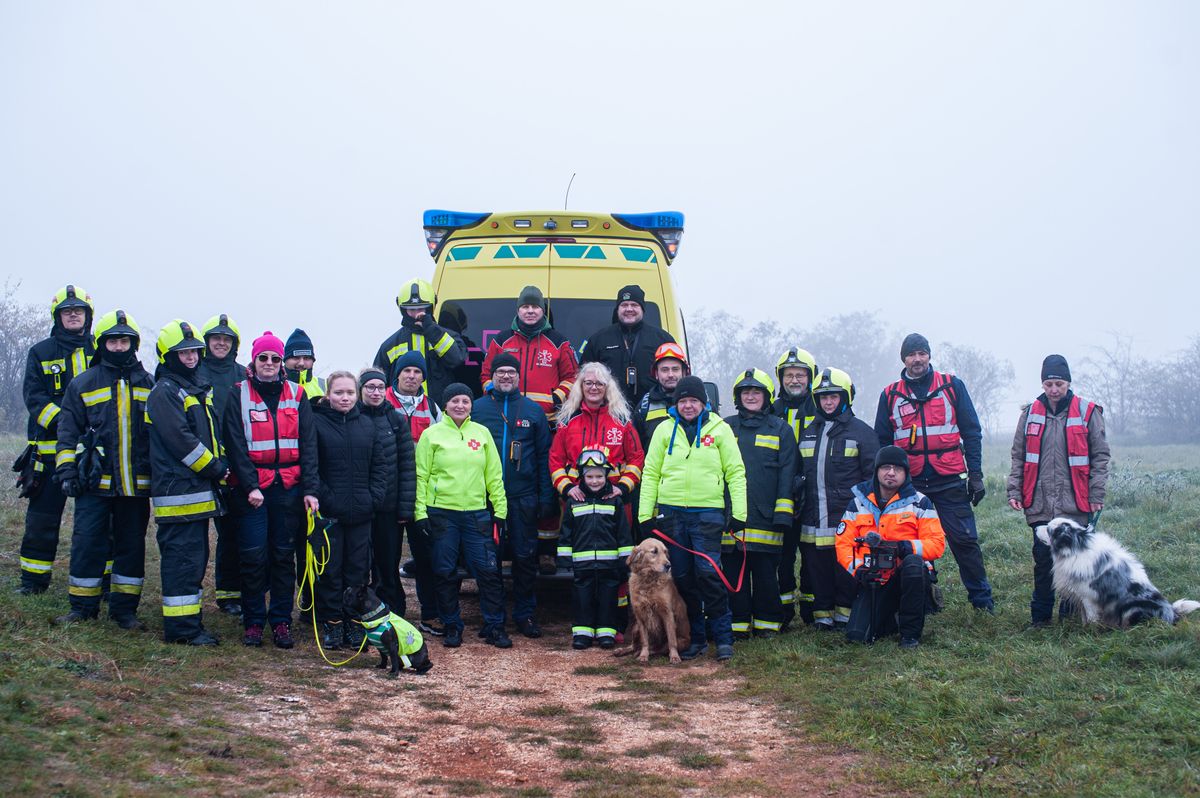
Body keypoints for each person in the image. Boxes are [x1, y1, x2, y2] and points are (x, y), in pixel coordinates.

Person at [873, 333, 995, 613]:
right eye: (911, 354)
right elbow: (882, 441)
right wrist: (885, 481)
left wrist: (975, 475)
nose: (917, 359)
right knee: (912, 544)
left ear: (929, 355)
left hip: (950, 478)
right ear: (903, 359)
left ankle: (982, 601)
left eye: (922, 353)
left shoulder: (952, 386)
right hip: (911, 483)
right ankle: (923, 600)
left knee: (965, 541)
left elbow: (972, 431)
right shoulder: (890, 394)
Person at [53, 310, 153, 629]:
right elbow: (67, 432)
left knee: (131, 548)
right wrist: (67, 473)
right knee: (87, 543)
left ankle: (124, 610)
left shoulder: (149, 384)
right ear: (103, 343)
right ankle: (82, 608)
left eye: (124, 340)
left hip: (135, 487)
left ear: (133, 343)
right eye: (113, 340)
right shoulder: (82, 383)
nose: (119, 346)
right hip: (92, 484)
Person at [639, 375, 747, 662]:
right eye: (683, 400)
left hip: (707, 514)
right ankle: (696, 638)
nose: (688, 406)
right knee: (683, 578)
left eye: (694, 401)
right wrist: (644, 515)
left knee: (708, 574)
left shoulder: (720, 429)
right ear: (677, 403)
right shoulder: (664, 429)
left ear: (703, 403)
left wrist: (739, 514)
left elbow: (735, 471)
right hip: (671, 515)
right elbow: (650, 472)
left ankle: (724, 639)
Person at [224, 331, 319, 649]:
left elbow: (309, 446)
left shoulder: (298, 393)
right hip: (253, 492)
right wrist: (250, 485)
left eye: (275, 358)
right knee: (252, 557)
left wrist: (310, 488)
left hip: (289, 490)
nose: (269, 363)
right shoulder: (238, 393)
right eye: (263, 357)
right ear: (254, 360)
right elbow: (235, 443)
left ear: (282, 363)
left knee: (282, 557)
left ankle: (280, 622)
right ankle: (253, 622)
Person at [1006, 355, 1110, 628]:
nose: (1054, 389)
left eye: (1059, 384)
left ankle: (1069, 616)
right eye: (1049, 383)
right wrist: (1014, 490)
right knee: (1043, 563)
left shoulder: (1088, 412)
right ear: (1043, 383)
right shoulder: (1029, 414)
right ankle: (1040, 618)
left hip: (1075, 503)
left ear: (1068, 383)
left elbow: (1100, 457)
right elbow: (1018, 456)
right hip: (1040, 503)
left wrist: (1096, 495)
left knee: (1075, 563)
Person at [147, 321, 228, 645]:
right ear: (169, 356)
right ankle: (181, 630)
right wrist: (214, 467)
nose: (192, 357)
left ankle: (189, 624)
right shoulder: (165, 392)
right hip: (178, 493)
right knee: (182, 561)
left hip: (192, 493)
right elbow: (181, 441)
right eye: (183, 352)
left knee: (194, 559)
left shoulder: (191, 388)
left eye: (194, 350)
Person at [413, 383, 510, 649]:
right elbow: (421, 476)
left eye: (465, 401)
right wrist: (420, 513)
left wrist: (499, 510)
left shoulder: (482, 433)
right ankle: (452, 625)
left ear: (471, 405)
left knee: (488, 571)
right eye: (454, 400)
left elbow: (494, 475)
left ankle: (494, 626)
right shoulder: (431, 435)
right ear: (445, 404)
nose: (460, 405)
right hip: (442, 513)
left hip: (477, 514)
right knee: (445, 572)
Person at [15, 284, 96, 595]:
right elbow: (34, 398)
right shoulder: (41, 352)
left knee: (96, 524)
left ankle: (99, 581)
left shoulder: (100, 350)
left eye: (78, 310)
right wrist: (68, 425)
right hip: (48, 454)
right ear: (58, 316)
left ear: (87, 316)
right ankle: (33, 582)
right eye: (66, 310)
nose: (73, 314)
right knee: (42, 521)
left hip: (92, 453)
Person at [472, 352, 555, 638]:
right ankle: (492, 618)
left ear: (519, 377)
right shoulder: (476, 408)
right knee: (488, 561)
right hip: (486, 500)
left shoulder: (533, 411)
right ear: (492, 376)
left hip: (523, 498)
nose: (505, 376)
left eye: (511, 372)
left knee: (525, 558)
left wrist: (546, 498)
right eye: (500, 372)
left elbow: (545, 457)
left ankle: (525, 615)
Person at [836, 446, 946, 648]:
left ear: (906, 473)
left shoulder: (920, 503)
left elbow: (937, 544)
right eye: (886, 467)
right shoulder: (857, 503)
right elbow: (843, 544)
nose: (891, 473)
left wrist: (906, 547)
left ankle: (910, 636)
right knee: (857, 636)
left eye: (898, 469)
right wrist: (859, 570)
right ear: (877, 471)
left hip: (908, 577)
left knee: (913, 564)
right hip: (873, 579)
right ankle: (891, 617)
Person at [311, 372, 390, 650]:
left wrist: (373, 498)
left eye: (349, 393)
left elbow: (379, 467)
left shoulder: (367, 425)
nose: (344, 398)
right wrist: (327, 498)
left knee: (358, 571)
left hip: (362, 513)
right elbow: (312, 467)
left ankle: (354, 625)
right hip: (331, 513)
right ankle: (332, 624)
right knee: (331, 572)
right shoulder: (317, 423)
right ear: (328, 394)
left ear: (357, 395)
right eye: (338, 393)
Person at [797, 367, 880, 629]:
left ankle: (846, 617)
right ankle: (823, 618)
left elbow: (872, 479)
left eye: (833, 396)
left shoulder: (862, 433)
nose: (828, 402)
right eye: (823, 397)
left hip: (847, 520)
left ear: (846, 397)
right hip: (812, 521)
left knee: (845, 571)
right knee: (817, 571)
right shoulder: (809, 431)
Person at [721, 369, 797, 639]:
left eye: (757, 392)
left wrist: (783, 514)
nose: (751, 396)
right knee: (733, 573)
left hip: (768, 518)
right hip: (733, 517)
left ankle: (767, 624)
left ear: (767, 397)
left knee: (766, 574)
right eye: (746, 392)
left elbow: (788, 473)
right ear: (737, 397)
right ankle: (737, 625)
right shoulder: (725, 427)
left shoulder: (781, 429)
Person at [383, 350, 443, 636]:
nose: (411, 376)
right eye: (406, 371)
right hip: (389, 491)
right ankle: (390, 614)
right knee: (386, 557)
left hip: (422, 494)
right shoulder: (381, 400)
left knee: (425, 557)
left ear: (423, 377)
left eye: (417, 372)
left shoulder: (432, 408)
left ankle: (430, 614)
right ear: (398, 374)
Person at [357, 368, 417, 620]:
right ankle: (359, 613)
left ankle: (394, 614)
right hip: (358, 508)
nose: (375, 392)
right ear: (361, 390)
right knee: (358, 565)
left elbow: (407, 466)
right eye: (370, 387)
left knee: (387, 565)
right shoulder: (351, 417)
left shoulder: (396, 420)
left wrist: (405, 508)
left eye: (380, 387)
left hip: (389, 509)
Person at [558, 450, 633, 649]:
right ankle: (582, 633)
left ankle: (606, 633)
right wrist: (565, 558)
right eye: (589, 476)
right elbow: (566, 531)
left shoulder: (614, 499)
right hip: (582, 563)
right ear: (582, 477)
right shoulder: (574, 500)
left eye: (599, 476)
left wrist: (625, 560)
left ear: (606, 475)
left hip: (610, 563)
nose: (594, 481)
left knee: (608, 598)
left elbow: (623, 533)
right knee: (583, 597)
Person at [196, 313, 245, 616]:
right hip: (200, 464)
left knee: (232, 532)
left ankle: (230, 594)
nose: (221, 343)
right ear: (206, 343)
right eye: (216, 339)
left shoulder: (243, 374)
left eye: (226, 340)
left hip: (235, 465)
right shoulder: (193, 371)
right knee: (195, 535)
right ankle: (189, 593)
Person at [770, 346, 819, 629]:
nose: (795, 380)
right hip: (782, 494)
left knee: (812, 555)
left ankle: (813, 611)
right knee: (783, 557)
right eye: (789, 375)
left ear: (810, 378)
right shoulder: (772, 410)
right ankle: (784, 611)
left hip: (813, 494)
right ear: (781, 379)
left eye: (800, 374)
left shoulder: (822, 407)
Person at [480, 285, 578, 421]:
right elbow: (486, 375)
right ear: (518, 311)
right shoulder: (501, 340)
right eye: (525, 307)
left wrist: (556, 398)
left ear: (542, 310)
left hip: (545, 420)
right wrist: (493, 394)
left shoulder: (559, 342)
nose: (530, 311)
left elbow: (573, 377)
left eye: (535, 307)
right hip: (506, 418)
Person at [578, 285, 677, 408]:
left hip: (653, 410)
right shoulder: (599, 339)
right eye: (624, 305)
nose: (629, 309)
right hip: (609, 411)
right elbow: (582, 377)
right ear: (617, 309)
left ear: (642, 309)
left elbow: (677, 376)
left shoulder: (662, 339)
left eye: (634, 305)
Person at [374, 278, 466, 404]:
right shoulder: (390, 345)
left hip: (441, 414)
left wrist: (431, 330)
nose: (417, 314)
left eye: (421, 309)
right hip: (402, 416)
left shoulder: (447, 336)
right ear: (402, 309)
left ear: (431, 307)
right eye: (411, 309)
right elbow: (378, 384)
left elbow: (456, 359)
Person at [633, 342, 689, 450]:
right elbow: (635, 449)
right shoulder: (644, 406)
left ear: (684, 372)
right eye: (664, 370)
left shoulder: (701, 403)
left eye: (675, 369)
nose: (670, 375)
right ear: (656, 374)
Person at [284, 328, 325, 402]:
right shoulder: (275, 385)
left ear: (313, 360)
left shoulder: (326, 386)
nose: (301, 363)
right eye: (295, 358)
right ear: (285, 360)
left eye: (306, 358)